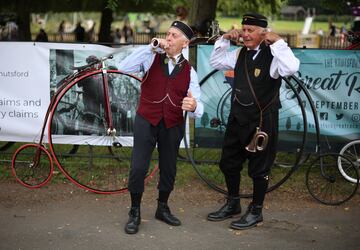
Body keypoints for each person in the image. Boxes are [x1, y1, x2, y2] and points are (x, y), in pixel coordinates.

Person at [207, 13, 299, 230]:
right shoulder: (239, 53)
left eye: (250, 31)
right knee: (228, 163)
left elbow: (292, 68)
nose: (245, 34)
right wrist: (224, 40)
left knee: (259, 169)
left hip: (262, 123)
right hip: (237, 118)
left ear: (263, 33)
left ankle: (256, 211)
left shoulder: (274, 57)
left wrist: (278, 42)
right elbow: (216, 61)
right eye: (244, 29)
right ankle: (233, 203)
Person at [117, 20, 203, 234]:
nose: (169, 38)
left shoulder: (190, 71)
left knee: (169, 169)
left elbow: (199, 107)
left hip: (172, 123)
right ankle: (134, 211)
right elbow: (123, 67)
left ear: (185, 44)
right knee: (138, 167)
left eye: (174, 35)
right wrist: (150, 46)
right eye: (168, 34)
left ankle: (162, 207)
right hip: (147, 119)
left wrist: (193, 105)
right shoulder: (151, 58)